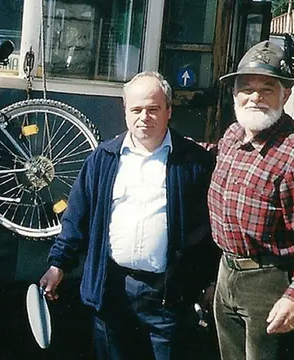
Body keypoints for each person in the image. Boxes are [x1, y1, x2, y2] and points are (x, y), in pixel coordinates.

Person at [39, 71, 218, 360]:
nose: (144, 117)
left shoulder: (194, 163)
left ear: (169, 111)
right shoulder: (103, 158)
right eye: (136, 109)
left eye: (153, 109)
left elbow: (209, 229)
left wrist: (209, 281)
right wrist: (58, 265)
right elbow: (76, 218)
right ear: (125, 111)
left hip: (167, 299)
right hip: (112, 293)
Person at [208, 36, 294, 360]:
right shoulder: (233, 136)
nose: (255, 97)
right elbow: (208, 155)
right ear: (234, 93)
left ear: (286, 93)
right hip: (227, 273)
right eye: (246, 88)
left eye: (267, 88)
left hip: (271, 284)